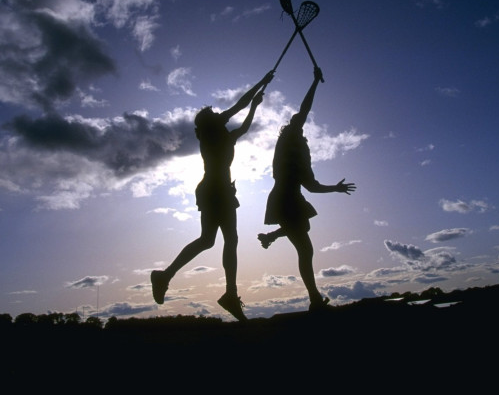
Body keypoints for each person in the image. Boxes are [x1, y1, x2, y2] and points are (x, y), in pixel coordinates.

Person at [150, 69, 275, 322]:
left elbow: (246, 126)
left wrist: (255, 106)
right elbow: (238, 105)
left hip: (217, 191)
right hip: (216, 191)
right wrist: (261, 82)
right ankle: (225, 292)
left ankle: (171, 277)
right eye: (215, 114)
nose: (220, 115)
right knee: (223, 240)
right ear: (208, 122)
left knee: (213, 240)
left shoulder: (224, 136)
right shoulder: (211, 132)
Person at [258, 66, 356, 311]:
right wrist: (314, 83)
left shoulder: (293, 151)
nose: (302, 131)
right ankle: (315, 300)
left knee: (302, 233)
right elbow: (304, 111)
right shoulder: (291, 142)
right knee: (305, 248)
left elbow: (311, 187)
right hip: (286, 198)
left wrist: (335, 188)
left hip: (287, 197)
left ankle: (271, 237)